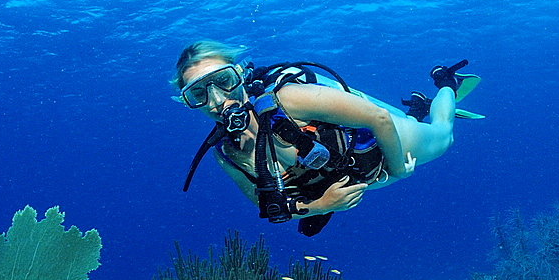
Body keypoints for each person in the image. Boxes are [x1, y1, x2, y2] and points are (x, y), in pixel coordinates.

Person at [173, 40, 481, 236]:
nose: (217, 100)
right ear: (189, 103)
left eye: (224, 81)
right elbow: (266, 205)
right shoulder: (226, 154)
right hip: (352, 180)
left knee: (443, 138)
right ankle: (417, 108)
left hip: (377, 147)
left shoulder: (289, 100)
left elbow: (378, 118)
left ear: (238, 75)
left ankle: (446, 83)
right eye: (198, 93)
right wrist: (321, 205)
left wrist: (399, 169)